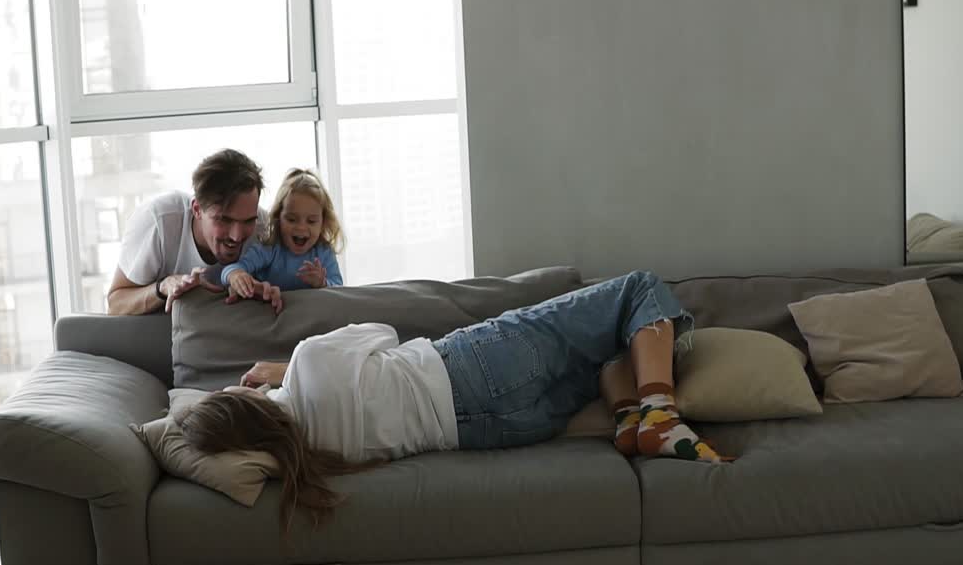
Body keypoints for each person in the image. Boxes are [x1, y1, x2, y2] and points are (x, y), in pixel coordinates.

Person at [175, 271, 727, 532]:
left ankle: (631, 422)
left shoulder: (313, 456)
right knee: (637, 291)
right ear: (242, 402)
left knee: (609, 345)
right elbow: (382, 332)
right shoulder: (309, 363)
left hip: (498, 430)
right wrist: (281, 368)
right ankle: (660, 413)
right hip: (469, 368)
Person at [107, 149, 280, 315]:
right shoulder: (158, 222)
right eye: (224, 220)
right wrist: (163, 287)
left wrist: (266, 294)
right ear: (197, 209)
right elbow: (115, 304)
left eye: (248, 220)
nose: (237, 236)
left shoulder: (263, 227)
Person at [221, 168, 344, 304]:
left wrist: (322, 283)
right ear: (278, 218)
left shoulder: (324, 253)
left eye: (311, 221)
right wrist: (236, 275)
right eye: (291, 219)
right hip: (274, 314)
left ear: (323, 222)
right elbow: (230, 269)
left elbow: (341, 290)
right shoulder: (270, 248)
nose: (301, 227)